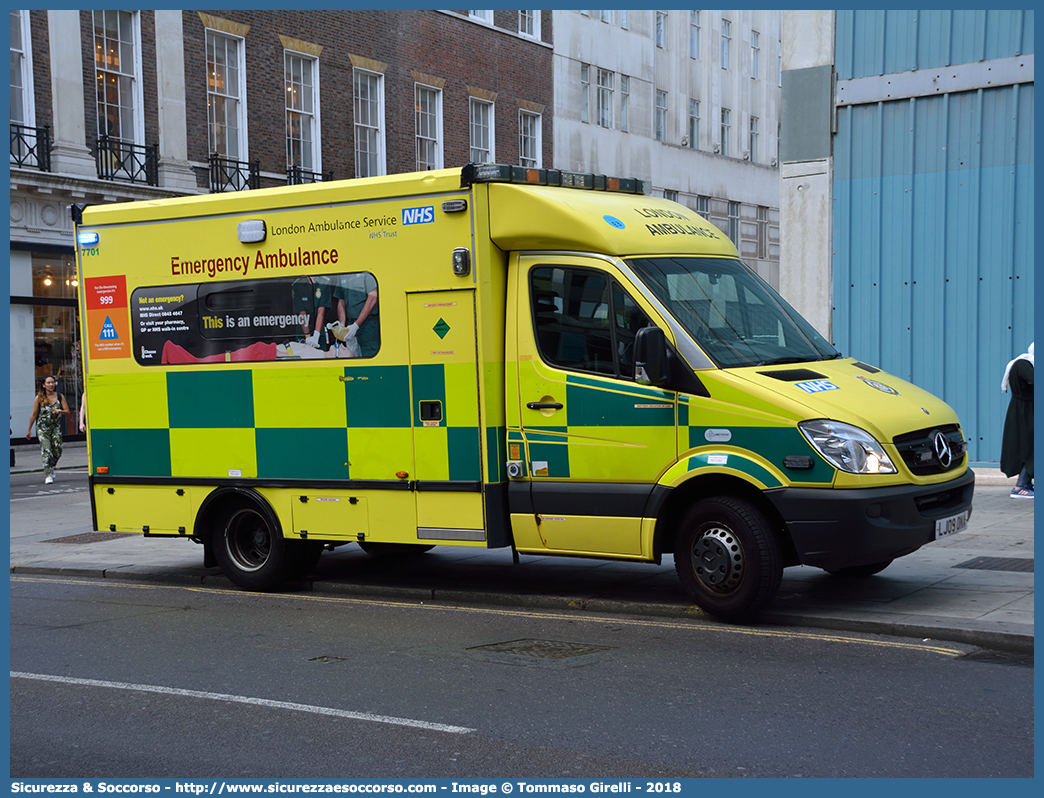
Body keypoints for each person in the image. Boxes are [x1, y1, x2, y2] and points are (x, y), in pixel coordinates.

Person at [1001, 342, 1034, 499]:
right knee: (1030, 448)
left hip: (1028, 410)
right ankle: (1020, 486)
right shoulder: (1023, 364)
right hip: (1024, 412)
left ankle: (1025, 484)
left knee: (1030, 447)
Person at [26, 375, 71, 484]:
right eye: (48, 383)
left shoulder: (60, 396)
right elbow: (34, 414)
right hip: (43, 428)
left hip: (56, 427)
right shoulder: (39, 397)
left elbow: (68, 412)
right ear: (43, 385)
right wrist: (29, 429)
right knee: (47, 450)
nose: (51, 385)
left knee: (57, 451)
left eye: (52, 382)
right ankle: (48, 475)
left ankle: (50, 467)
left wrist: (59, 411)